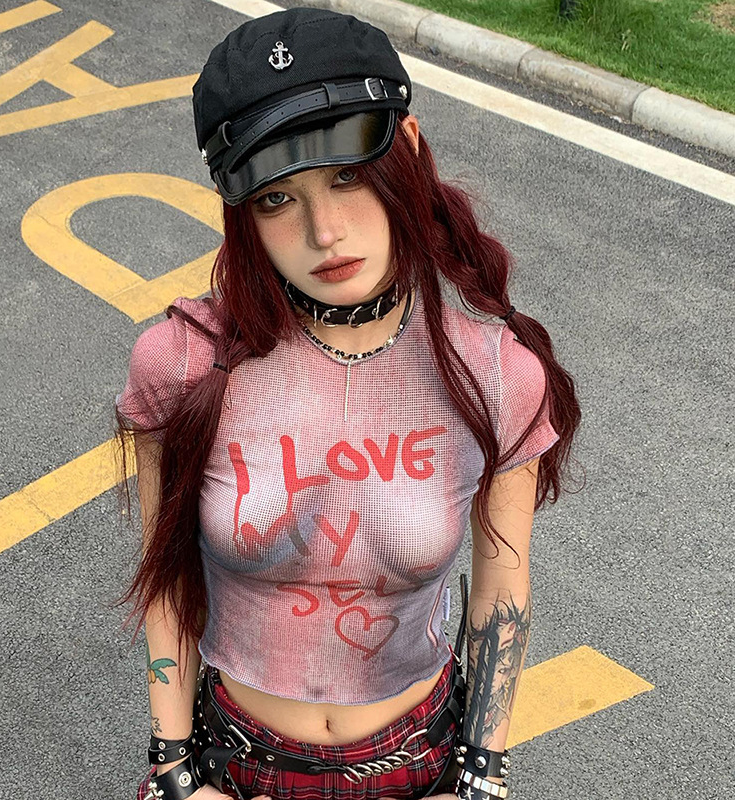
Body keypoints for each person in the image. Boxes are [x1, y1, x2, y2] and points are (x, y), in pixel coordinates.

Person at [113, 7, 581, 800]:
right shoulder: (183, 362)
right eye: (276, 199)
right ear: (240, 211)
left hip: (421, 765)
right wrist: (175, 769)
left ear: (409, 152)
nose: (325, 231)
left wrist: (480, 778)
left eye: (347, 176)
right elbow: (168, 579)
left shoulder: (498, 374)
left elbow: (501, 591)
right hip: (233, 765)